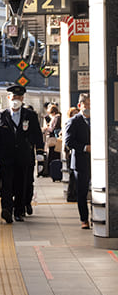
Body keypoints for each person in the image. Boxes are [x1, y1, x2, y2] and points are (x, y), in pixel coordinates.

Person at [0, 84, 44, 223]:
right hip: (6, 158)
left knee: (22, 184)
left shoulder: (30, 115)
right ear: (9, 98)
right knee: (7, 185)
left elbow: (37, 135)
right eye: (14, 97)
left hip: (24, 157)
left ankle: (19, 211)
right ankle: (7, 210)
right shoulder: (0, 116)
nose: (17, 99)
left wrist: (40, 153)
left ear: (23, 98)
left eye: (19, 97)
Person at [64, 93, 91, 229]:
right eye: (87, 105)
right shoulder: (73, 121)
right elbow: (68, 141)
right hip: (81, 162)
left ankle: (98, 216)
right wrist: (85, 148)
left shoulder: (98, 119)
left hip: (97, 162)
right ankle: (84, 219)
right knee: (82, 192)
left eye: (91, 105)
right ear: (80, 105)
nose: (89, 107)